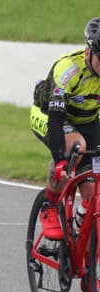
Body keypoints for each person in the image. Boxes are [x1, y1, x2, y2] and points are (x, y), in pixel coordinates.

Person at [30, 17, 100, 240]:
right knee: (75, 147)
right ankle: (49, 206)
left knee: (93, 192)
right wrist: (60, 159)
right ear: (89, 53)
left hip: (87, 121)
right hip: (50, 115)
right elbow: (56, 118)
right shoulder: (68, 69)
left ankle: (81, 228)